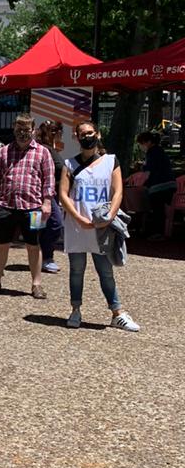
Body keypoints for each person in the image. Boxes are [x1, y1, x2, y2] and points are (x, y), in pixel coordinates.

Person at [60, 119, 140, 331]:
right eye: (82, 134)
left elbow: (118, 191)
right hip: (78, 225)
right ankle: (75, 309)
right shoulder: (69, 164)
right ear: (77, 137)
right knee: (76, 270)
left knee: (105, 270)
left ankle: (117, 312)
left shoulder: (111, 161)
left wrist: (110, 216)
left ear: (98, 134)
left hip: (102, 227)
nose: (86, 137)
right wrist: (78, 218)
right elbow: (63, 195)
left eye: (90, 133)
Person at [0, 114, 55, 299]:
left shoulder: (43, 152)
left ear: (33, 131)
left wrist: (47, 202)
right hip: (6, 206)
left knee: (34, 245)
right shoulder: (4, 151)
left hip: (33, 207)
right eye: (19, 129)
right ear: (14, 130)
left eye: (26, 130)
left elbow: (48, 179)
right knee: (1, 245)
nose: (23, 133)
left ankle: (36, 284)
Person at [36, 121, 66, 273]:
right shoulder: (45, 150)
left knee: (42, 226)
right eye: (59, 131)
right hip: (43, 194)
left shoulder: (51, 149)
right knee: (55, 224)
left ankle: (43, 257)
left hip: (52, 194)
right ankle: (45, 257)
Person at [136, 130, 177, 239]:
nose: (141, 146)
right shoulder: (160, 151)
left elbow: (149, 170)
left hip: (159, 185)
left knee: (157, 208)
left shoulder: (152, 152)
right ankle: (160, 231)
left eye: (142, 143)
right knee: (161, 208)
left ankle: (157, 232)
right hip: (170, 183)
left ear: (148, 142)